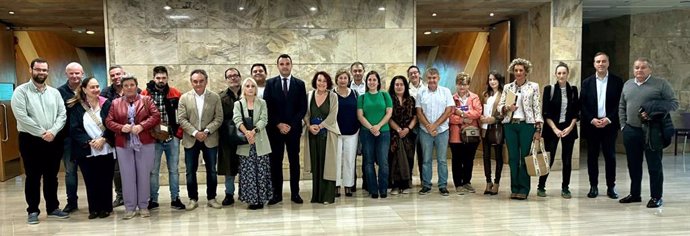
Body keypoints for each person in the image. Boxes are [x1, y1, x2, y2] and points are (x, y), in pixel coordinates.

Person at [12, 58, 70, 224]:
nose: (41, 73)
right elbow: (21, 117)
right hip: (30, 140)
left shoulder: (54, 92)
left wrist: (52, 132)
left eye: (44, 70)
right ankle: (33, 210)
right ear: (31, 70)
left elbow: (62, 114)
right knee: (33, 177)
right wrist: (41, 132)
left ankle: (52, 208)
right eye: (38, 69)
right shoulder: (21, 92)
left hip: (53, 139)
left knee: (52, 176)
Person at [619, 57, 678, 208]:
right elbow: (622, 106)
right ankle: (635, 194)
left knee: (654, 165)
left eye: (643, 67)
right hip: (631, 130)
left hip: (652, 132)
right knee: (633, 165)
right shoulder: (628, 84)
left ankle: (656, 197)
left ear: (650, 69)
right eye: (637, 67)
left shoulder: (661, 84)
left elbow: (673, 103)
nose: (639, 70)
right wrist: (623, 126)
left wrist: (653, 111)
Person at [105, 76, 160, 219]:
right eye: (126, 85)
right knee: (127, 175)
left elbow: (156, 116)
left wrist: (142, 126)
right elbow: (109, 121)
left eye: (132, 84)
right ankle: (129, 208)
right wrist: (121, 127)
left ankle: (143, 206)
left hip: (145, 142)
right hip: (123, 143)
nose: (129, 87)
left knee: (143, 174)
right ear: (122, 87)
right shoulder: (116, 103)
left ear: (136, 86)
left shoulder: (146, 100)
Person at [66, 77, 115, 219]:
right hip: (86, 149)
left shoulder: (107, 104)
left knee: (105, 179)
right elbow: (74, 129)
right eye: (92, 87)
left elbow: (112, 124)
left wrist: (104, 139)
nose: (96, 90)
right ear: (84, 89)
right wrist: (90, 142)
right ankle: (93, 208)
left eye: (97, 86)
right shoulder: (76, 106)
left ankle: (106, 208)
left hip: (106, 147)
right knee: (90, 180)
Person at [263, 54, 307, 205]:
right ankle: (277, 194)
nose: (285, 66)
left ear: (291, 65)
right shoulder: (270, 84)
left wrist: (291, 125)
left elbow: (302, 108)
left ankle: (295, 193)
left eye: (287, 63)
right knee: (276, 162)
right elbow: (267, 107)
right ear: (278, 66)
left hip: (293, 131)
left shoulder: (300, 84)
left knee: (294, 162)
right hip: (275, 131)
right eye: (282, 64)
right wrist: (278, 124)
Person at [140, 66, 186, 210]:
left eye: (163, 78)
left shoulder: (176, 94)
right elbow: (140, 116)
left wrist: (178, 134)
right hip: (153, 139)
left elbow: (183, 115)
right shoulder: (144, 94)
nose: (161, 81)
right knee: (153, 171)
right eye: (158, 78)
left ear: (167, 78)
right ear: (154, 78)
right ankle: (153, 199)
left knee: (174, 169)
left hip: (171, 138)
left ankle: (175, 198)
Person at [178, 69, 224, 210]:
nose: (198, 84)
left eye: (201, 81)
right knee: (190, 171)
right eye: (195, 81)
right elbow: (181, 118)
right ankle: (193, 198)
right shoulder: (184, 98)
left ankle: (211, 198)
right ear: (191, 82)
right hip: (191, 139)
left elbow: (219, 118)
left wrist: (206, 131)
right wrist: (194, 132)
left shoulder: (215, 97)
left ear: (206, 81)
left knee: (211, 170)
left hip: (210, 138)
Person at [498, 58, 543, 200]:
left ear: (526, 72)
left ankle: (524, 189)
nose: (518, 73)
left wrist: (538, 129)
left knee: (525, 157)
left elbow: (537, 107)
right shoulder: (507, 87)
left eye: (521, 70)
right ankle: (514, 187)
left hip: (526, 125)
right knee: (512, 158)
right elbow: (500, 106)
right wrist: (506, 108)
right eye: (516, 70)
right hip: (510, 125)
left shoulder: (533, 86)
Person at [581, 52, 623, 199]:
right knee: (592, 156)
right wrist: (592, 119)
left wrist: (609, 119)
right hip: (592, 125)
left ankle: (611, 187)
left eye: (603, 61)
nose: (601, 64)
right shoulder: (587, 82)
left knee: (610, 156)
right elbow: (583, 105)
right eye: (598, 61)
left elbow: (620, 104)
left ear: (608, 63)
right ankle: (593, 186)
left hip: (609, 125)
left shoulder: (617, 82)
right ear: (594, 64)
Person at [538, 62, 580, 199]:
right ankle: (541, 186)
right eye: (559, 73)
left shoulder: (573, 90)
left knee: (567, 160)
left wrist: (570, 127)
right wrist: (555, 129)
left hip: (569, 128)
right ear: (555, 75)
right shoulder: (548, 89)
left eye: (564, 73)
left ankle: (565, 187)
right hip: (552, 129)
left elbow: (576, 112)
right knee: (548, 159)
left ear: (568, 74)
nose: (561, 75)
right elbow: (545, 113)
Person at [234, 78, 273, 210]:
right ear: (243, 89)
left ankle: (261, 199)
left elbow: (264, 119)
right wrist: (247, 133)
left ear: (256, 89)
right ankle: (251, 200)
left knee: (261, 171)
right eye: (247, 86)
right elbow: (237, 120)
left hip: (260, 140)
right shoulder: (238, 104)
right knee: (248, 172)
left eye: (252, 86)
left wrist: (254, 131)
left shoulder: (262, 103)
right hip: (245, 143)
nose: (250, 88)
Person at [303, 71, 340, 204]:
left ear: (328, 83)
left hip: (328, 134)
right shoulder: (309, 95)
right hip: (313, 135)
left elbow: (333, 116)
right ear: (315, 81)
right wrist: (309, 126)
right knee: (316, 164)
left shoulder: (333, 96)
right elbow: (306, 114)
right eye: (319, 80)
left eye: (324, 81)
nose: (321, 83)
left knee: (328, 165)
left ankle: (328, 197)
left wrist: (320, 126)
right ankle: (317, 196)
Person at [416, 68, 454, 196]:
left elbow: (449, 110)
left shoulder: (446, 91)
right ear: (426, 78)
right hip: (425, 131)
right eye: (430, 78)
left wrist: (435, 125)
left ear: (438, 78)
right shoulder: (421, 92)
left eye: (434, 78)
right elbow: (419, 112)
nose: (432, 80)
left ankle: (443, 185)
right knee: (426, 159)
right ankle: (426, 184)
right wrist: (428, 126)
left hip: (442, 131)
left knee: (442, 159)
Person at [357, 70, 393, 198]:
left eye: (374, 80)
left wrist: (378, 126)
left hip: (383, 133)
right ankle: (373, 190)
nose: (372, 82)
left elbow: (389, 113)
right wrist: (371, 127)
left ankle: (383, 189)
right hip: (366, 133)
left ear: (378, 82)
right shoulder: (362, 97)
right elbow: (360, 116)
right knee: (368, 162)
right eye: (369, 80)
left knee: (383, 161)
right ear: (366, 82)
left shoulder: (384, 95)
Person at [57, 62, 84, 213]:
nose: (74, 76)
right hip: (67, 138)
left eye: (77, 73)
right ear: (66, 74)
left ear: (82, 73)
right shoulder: (59, 92)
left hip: (86, 138)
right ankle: (72, 202)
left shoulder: (87, 89)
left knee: (89, 171)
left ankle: (95, 201)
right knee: (70, 172)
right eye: (71, 73)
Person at [449, 72, 482, 195]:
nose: (462, 87)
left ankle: (467, 182)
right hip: (456, 133)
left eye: (464, 84)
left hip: (471, 133)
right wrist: (462, 119)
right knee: (457, 159)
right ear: (456, 85)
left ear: (468, 85)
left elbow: (477, 112)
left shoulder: (474, 97)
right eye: (459, 84)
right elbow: (449, 116)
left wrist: (462, 113)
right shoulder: (451, 98)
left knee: (469, 159)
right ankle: (458, 184)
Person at [387, 75, 417, 195]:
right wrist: (399, 129)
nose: (399, 87)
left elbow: (415, 117)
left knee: (408, 158)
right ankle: (395, 185)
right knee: (394, 160)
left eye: (401, 84)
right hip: (393, 134)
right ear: (393, 86)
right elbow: (388, 117)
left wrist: (408, 129)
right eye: (396, 84)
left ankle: (406, 184)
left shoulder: (411, 100)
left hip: (408, 134)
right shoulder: (389, 99)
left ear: (405, 86)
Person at [218, 67, 242, 206]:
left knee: (245, 166)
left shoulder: (247, 93)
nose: (233, 78)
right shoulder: (220, 97)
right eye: (230, 76)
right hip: (227, 138)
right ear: (226, 80)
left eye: (235, 75)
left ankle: (245, 192)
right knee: (229, 167)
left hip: (245, 137)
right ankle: (229, 193)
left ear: (239, 77)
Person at [334, 70, 359, 197]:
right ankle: (336, 185)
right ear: (336, 79)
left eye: (345, 78)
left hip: (352, 131)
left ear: (348, 80)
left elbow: (359, 112)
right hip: (336, 132)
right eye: (340, 78)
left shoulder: (355, 93)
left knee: (349, 159)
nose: (343, 80)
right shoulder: (331, 94)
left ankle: (349, 185)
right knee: (336, 160)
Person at [479, 71, 505, 195]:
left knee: (498, 156)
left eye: (494, 79)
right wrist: (482, 118)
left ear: (499, 80)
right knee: (486, 156)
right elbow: (481, 109)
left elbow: (505, 113)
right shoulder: (485, 94)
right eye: (490, 79)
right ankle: (488, 182)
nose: (492, 82)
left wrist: (493, 119)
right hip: (485, 128)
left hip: (497, 128)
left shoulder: (503, 94)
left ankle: (497, 182)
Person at [407, 65, 425, 184]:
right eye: (411, 73)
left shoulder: (427, 88)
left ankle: (424, 179)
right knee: (409, 153)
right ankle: (407, 179)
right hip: (410, 125)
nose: (414, 75)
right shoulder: (406, 89)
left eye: (415, 72)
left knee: (423, 153)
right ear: (408, 75)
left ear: (419, 74)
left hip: (424, 124)